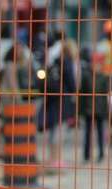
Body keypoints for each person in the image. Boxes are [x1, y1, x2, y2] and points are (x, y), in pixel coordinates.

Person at [39, 39, 79, 168]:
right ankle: (57, 160)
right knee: (60, 129)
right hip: (63, 99)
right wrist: (75, 91)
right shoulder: (67, 62)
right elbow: (72, 83)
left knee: (53, 129)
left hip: (52, 98)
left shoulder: (55, 62)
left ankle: (52, 158)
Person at [79, 53, 112, 163]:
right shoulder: (86, 76)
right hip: (88, 108)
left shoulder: (104, 77)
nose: (96, 66)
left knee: (100, 132)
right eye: (94, 63)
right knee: (87, 133)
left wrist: (106, 110)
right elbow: (82, 94)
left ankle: (101, 154)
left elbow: (106, 94)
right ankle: (86, 155)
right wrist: (80, 110)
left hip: (100, 108)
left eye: (98, 64)